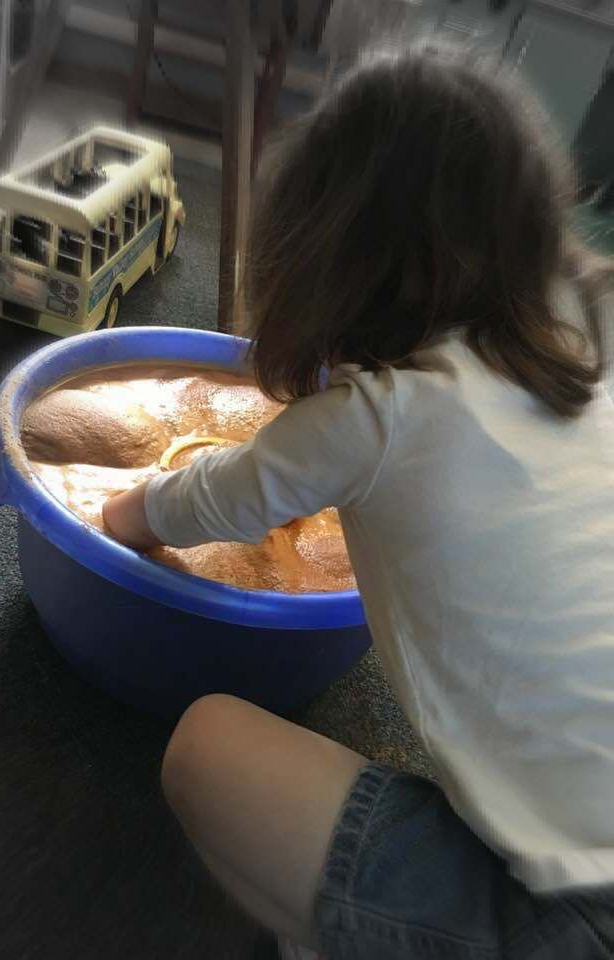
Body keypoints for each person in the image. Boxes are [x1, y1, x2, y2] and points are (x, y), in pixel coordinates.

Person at [103, 42, 614, 960]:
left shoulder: (376, 417)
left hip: (580, 924)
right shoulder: (590, 355)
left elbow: (204, 501)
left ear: (328, 258)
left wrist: (117, 513)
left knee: (205, 744)